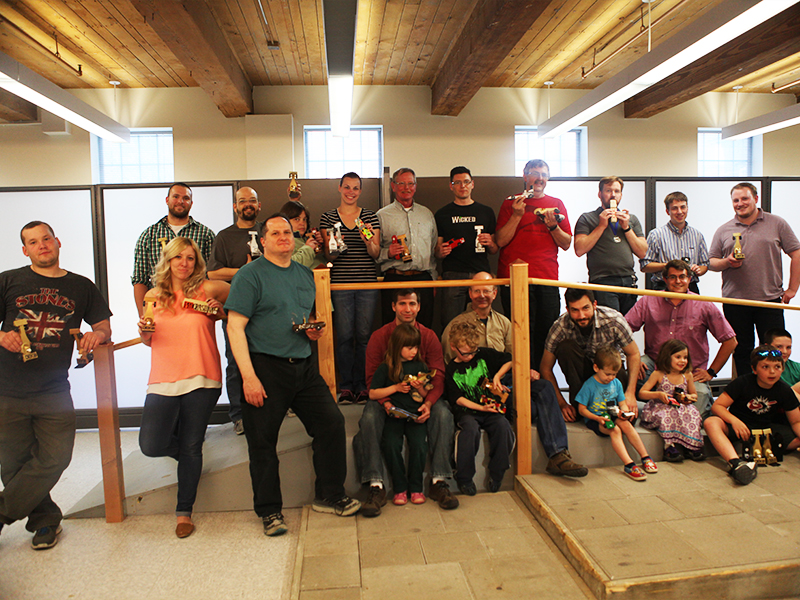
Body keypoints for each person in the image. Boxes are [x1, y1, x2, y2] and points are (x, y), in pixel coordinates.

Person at [225, 214, 360, 537]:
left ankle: (330, 494)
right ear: (263, 240)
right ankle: (270, 512)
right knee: (262, 443)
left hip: (302, 365)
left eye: (287, 231)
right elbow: (234, 327)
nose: (283, 237)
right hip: (264, 368)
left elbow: (303, 316)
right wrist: (248, 377)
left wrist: (311, 331)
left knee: (331, 422)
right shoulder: (249, 276)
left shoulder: (304, 274)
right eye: (275, 233)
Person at [0, 221, 112, 550]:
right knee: (14, 464)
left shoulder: (81, 286)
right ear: (25, 250)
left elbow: (103, 325)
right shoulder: (7, 280)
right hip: (7, 388)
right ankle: (45, 522)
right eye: (33, 242)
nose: (42, 245)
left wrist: (97, 335)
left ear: (57, 241)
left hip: (54, 389)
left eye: (46, 238)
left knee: (56, 457)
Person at [442, 273, 587, 477]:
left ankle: (558, 454)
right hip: (477, 388)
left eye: (487, 290)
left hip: (505, 380)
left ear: (495, 293)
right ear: (470, 293)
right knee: (533, 409)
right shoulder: (456, 325)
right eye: (477, 290)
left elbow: (515, 357)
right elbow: (450, 365)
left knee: (544, 387)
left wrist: (525, 371)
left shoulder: (505, 323)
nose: (482, 295)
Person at [137, 238, 229, 538]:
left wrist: (221, 312)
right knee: (151, 444)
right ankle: (191, 460)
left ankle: (183, 513)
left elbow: (240, 306)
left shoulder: (209, 288)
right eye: (178, 258)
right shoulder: (153, 295)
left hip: (202, 376)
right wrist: (143, 333)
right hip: (163, 377)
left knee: (191, 444)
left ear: (197, 262)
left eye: (190, 258)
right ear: (168, 260)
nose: (184, 263)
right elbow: (148, 339)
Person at [355, 289, 457, 517]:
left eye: (412, 304)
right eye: (402, 304)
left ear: (419, 306)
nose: (407, 309)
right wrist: (387, 403)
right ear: (393, 307)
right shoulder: (379, 337)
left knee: (444, 414)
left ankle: (439, 480)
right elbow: (372, 379)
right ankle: (375, 485)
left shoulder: (429, 336)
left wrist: (429, 402)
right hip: (386, 398)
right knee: (369, 418)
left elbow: (438, 375)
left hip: (421, 397)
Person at [709, 182, 800, 378]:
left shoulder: (777, 223)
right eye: (736, 200)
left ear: (756, 199)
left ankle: (773, 397)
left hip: (769, 300)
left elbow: (796, 253)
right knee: (742, 351)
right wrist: (727, 262)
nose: (740, 203)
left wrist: (793, 289)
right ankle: (745, 396)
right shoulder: (724, 230)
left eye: (744, 198)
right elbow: (711, 263)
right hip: (735, 301)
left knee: (772, 353)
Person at [626, 259, 737, 415]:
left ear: (689, 279)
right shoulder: (648, 300)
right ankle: (649, 411)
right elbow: (623, 330)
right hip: (655, 364)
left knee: (699, 401)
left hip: (690, 371)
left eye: (682, 277)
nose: (678, 281)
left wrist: (711, 372)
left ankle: (659, 412)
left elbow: (730, 341)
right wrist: (635, 356)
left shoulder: (704, 305)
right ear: (665, 279)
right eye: (672, 277)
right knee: (633, 369)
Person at [496, 159, 571, 369]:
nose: (540, 178)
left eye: (544, 175)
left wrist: (553, 226)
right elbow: (500, 241)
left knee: (546, 335)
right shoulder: (509, 203)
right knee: (520, 334)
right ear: (525, 176)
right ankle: (522, 384)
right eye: (535, 173)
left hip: (546, 279)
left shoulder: (557, 204)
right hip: (514, 281)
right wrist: (517, 215)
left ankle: (543, 382)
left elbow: (566, 244)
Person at [319, 172, 381, 404]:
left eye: (355, 188)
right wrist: (335, 244)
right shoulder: (328, 217)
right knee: (344, 337)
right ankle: (345, 387)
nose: (351, 192)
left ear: (360, 191)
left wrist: (366, 236)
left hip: (366, 282)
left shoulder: (370, 217)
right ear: (339, 188)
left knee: (364, 337)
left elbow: (375, 254)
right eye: (347, 187)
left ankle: (363, 385)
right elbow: (327, 254)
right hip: (340, 284)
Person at [207, 186, 263, 435]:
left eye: (252, 201)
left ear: (258, 205)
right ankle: (238, 415)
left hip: (266, 308)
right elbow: (213, 273)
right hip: (234, 308)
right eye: (243, 201)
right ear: (235, 206)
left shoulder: (268, 231)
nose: (248, 204)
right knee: (235, 361)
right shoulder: (224, 236)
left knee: (267, 359)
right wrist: (245, 270)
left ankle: (273, 408)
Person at [540, 288, 641, 423]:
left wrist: (630, 393)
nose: (581, 315)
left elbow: (633, 353)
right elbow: (545, 368)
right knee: (566, 347)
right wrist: (562, 404)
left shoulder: (613, 319)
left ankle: (616, 404)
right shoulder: (560, 327)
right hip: (583, 384)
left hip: (612, 378)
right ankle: (581, 406)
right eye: (575, 310)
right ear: (568, 309)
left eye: (586, 308)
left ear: (594, 305)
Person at [704, 345, 800, 485]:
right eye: (765, 367)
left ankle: (763, 452)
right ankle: (736, 463)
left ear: (782, 369)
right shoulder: (743, 383)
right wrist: (734, 421)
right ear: (754, 369)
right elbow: (717, 406)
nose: (772, 372)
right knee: (711, 422)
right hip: (740, 426)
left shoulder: (784, 390)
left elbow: (796, 422)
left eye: (777, 367)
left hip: (766, 430)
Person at [445, 321, 516, 495]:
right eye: (465, 353)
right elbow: (458, 399)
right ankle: (464, 478)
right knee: (469, 430)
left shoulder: (483, 355)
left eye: (473, 352)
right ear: (454, 347)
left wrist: (498, 376)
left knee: (503, 426)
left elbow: (510, 359)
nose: (470, 356)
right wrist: (480, 408)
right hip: (468, 411)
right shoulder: (451, 369)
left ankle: (497, 473)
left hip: (490, 407)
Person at [574, 346, 658, 482]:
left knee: (626, 425)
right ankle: (629, 464)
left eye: (614, 374)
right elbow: (582, 409)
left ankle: (645, 456)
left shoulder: (616, 383)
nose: (611, 378)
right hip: (596, 419)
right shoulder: (589, 385)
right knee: (614, 430)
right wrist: (597, 418)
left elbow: (622, 403)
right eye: (607, 374)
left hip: (612, 414)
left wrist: (624, 411)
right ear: (596, 368)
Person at [132, 183, 215, 316]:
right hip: (160, 307)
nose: (180, 201)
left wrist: (211, 310)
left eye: (186, 198)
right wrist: (145, 316)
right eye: (176, 197)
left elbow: (212, 275)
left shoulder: (205, 234)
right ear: (167, 200)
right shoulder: (149, 235)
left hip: (195, 309)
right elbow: (140, 280)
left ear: (191, 203)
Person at [370, 324, 430, 506]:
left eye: (416, 347)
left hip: (415, 417)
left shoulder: (420, 365)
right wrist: (395, 388)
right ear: (397, 347)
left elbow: (426, 395)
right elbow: (373, 393)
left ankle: (416, 487)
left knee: (419, 446)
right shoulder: (386, 367)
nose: (414, 351)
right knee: (390, 444)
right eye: (409, 347)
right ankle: (399, 488)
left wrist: (421, 388)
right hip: (395, 416)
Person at [434, 166, 498, 327]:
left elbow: (494, 249)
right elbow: (437, 251)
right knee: (451, 324)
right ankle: (450, 353)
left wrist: (490, 242)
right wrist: (440, 252)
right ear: (451, 186)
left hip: (480, 274)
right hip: (453, 275)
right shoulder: (442, 214)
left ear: (472, 184)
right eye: (458, 182)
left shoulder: (486, 212)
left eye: (466, 182)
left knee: (482, 322)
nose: (463, 186)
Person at [574, 176, 647, 315]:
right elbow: (579, 249)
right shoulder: (588, 218)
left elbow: (643, 252)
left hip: (628, 280)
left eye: (617, 191)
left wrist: (626, 228)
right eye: (608, 190)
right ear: (599, 194)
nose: (613, 195)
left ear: (621, 195)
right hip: (603, 281)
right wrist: (601, 226)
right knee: (610, 325)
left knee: (627, 327)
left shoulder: (631, 219)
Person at [376, 168, 438, 328]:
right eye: (401, 183)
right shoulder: (381, 216)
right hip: (394, 279)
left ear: (415, 186)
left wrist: (434, 280)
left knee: (424, 328)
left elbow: (432, 251)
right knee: (393, 329)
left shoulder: (427, 214)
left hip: (423, 280)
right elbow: (373, 253)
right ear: (393, 186)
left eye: (410, 183)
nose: (406, 187)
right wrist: (387, 253)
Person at [638, 340, 704, 462]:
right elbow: (642, 393)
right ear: (667, 357)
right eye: (678, 357)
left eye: (685, 357)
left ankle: (690, 445)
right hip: (660, 407)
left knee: (692, 414)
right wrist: (658, 394)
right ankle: (669, 447)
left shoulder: (687, 375)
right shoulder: (658, 374)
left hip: (681, 406)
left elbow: (694, 394)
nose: (682, 361)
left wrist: (689, 398)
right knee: (667, 415)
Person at [640, 192, 709, 294]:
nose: (679, 212)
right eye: (674, 208)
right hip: (664, 287)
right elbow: (645, 265)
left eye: (683, 207)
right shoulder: (656, 235)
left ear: (687, 208)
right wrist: (669, 266)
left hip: (690, 287)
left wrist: (698, 269)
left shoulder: (697, 235)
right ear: (668, 211)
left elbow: (705, 264)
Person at [280, 200, 324, 269]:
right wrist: (308, 249)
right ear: (285, 221)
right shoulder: (283, 241)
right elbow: (288, 266)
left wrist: (323, 246)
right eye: (297, 219)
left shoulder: (307, 238)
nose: (302, 223)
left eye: (304, 219)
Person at [764, 328, 800, 394]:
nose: (784, 351)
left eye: (788, 347)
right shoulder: (759, 368)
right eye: (779, 346)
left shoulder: (797, 367)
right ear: (767, 347)